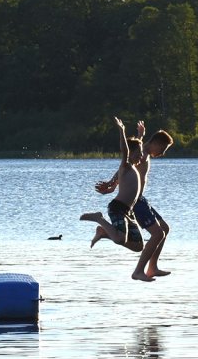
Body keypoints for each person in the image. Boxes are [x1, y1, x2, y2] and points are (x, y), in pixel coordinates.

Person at [91, 121, 174, 281]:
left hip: (141, 199)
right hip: (135, 202)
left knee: (164, 228)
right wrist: (111, 184)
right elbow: (125, 165)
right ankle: (139, 271)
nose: (162, 153)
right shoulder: (142, 152)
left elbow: (135, 148)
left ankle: (152, 267)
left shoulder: (143, 149)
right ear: (156, 143)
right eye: (163, 149)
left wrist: (140, 135)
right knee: (158, 234)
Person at [80, 117, 146, 277]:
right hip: (117, 208)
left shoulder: (130, 168)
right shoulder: (126, 165)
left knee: (138, 246)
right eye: (139, 154)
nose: (141, 156)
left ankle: (103, 232)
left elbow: (133, 148)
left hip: (127, 212)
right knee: (120, 239)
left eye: (142, 153)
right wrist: (122, 130)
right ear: (131, 155)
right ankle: (98, 219)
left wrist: (140, 137)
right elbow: (126, 150)